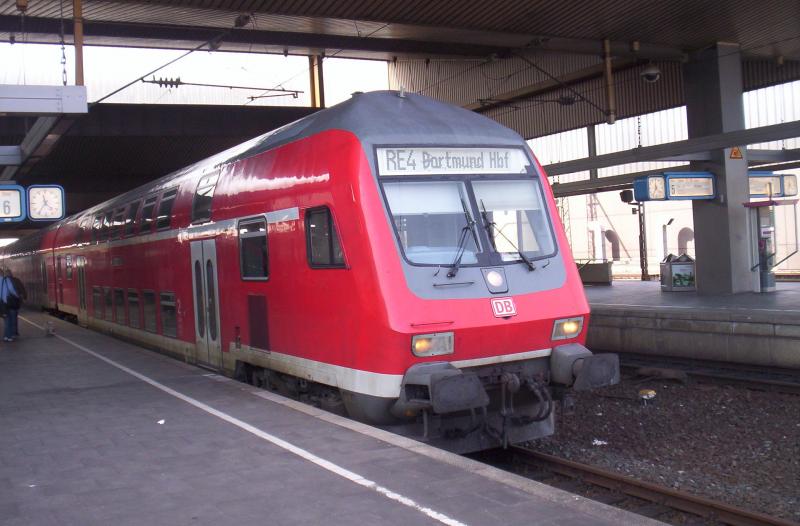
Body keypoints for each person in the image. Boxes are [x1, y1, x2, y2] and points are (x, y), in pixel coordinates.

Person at [0, 268, 24, 342]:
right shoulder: (6, 280)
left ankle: (6, 336)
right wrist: (17, 296)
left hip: (1, 304)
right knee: (9, 320)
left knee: (6, 319)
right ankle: (9, 336)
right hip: (8, 303)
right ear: (2, 273)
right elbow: (11, 290)